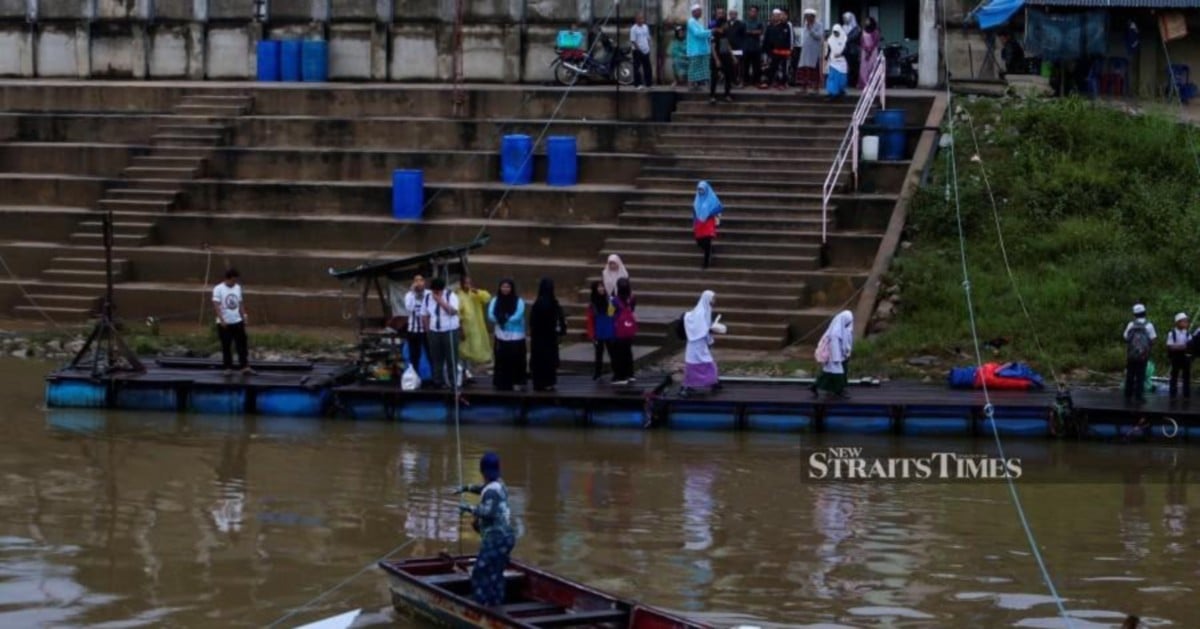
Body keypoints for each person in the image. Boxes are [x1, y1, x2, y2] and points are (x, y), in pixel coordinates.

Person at [456, 452, 515, 607]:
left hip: (495, 539)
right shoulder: (499, 485)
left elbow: (488, 512)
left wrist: (467, 507)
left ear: (482, 471)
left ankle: (481, 606)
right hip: (507, 537)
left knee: (480, 572)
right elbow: (482, 489)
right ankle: (496, 604)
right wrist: (466, 488)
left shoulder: (491, 491)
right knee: (496, 573)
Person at [679, 290, 726, 397]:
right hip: (696, 344)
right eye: (713, 298)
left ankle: (713, 382)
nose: (714, 300)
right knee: (697, 365)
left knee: (708, 363)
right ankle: (686, 386)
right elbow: (701, 329)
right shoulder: (700, 313)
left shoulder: (706, 310)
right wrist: (712, 330)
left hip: (700, 344)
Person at [212, 268, 254, 376]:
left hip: (237, 321)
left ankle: (244, 366)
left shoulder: (237, 288)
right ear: (228, 278)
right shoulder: (218, 289)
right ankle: (228, 367)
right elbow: (216, 305)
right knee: (226, 345)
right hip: (225, 323)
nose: (235, 282)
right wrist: (222, 319)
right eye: (234, 280)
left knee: (242, 344)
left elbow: (240, 303)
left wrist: (244, 315)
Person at [488, 279, 527, 391]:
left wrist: (505, 319)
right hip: (501, 335)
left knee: (515, 359)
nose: (505, 289)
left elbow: (518, 315)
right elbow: (491, 314)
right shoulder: (495, 300)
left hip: (516, 336)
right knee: (501, 359)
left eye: (508, 287)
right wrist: (499, 319)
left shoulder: (518, 301)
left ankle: (517, 382)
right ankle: (501, 383)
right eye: (503, 287)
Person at [529, 278, 567, 392]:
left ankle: (539, 383)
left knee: (539, 362)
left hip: (539, 339)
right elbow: (560, 319)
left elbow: (532, 321)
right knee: (549, 362)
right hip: (550, 338)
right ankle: (549, 383)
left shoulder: (537, 303)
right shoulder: (553, 303)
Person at [425, 277, 461, 390]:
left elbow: (453, 312)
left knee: (451, 358)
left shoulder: (451, 295)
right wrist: (427, 330)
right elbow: (424, 314)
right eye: (433, 290)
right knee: (436, 358)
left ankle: (453, 382)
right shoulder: (427, 297)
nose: (435, 292)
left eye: (438, 290)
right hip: (434, 331)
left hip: (449, 330)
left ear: (442, 289)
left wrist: (440, 301)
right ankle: (437, 382)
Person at [454, 275, 492, 376]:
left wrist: (478, 292)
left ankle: (468, 374)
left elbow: (487, 298)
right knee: (464, 352)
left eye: (469, 283)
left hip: (477, 327)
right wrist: (460, 329)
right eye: (466, 283)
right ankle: (462, 374)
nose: (468, 285)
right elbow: (458, 314)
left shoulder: (474, 293)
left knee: (473, 352)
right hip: (465, 328)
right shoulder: (458, 296)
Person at [811, 310, 854, 399]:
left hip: (840, 356)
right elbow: (835, 347)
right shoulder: (835, 333)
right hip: (834, 357)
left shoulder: (844, 329)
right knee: (837, 374)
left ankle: (815, 386)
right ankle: (839, 391)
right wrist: (836, 358)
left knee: (827, 374)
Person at [1123, 303, 1156, 404]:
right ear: (1144, 313)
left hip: (1131, 354)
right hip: (1143, 355)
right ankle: (1139, 396)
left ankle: (1128, 394)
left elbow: (1125, 337)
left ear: (1134, 314)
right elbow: (1153, 339)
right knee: (1141, 375)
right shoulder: (1149, 325)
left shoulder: (1131, 324)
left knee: (1130, 374)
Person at [585, 281, 617, 380]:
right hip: (598, 331)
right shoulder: (592, 304)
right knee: (599, 353)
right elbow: (590, 320)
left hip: (609, 329)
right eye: (599, 287)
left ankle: (616, 372)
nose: (601, 289)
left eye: (602, 286)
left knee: (612, 352)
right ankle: (598, 373)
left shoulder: (609, 300)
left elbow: (613, 315)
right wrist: (591, 334)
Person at [403, 273, 431, 383]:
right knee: (414, 355)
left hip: (426, 330)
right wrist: (414, 293)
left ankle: (434, 379)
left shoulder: (429, 294)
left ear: (424, 282)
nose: (418, 283)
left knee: (430, 354)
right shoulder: (409, 295)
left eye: (421, 280)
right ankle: (415, 378)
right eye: (416, 280)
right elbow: (409, 308)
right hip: (413, 330)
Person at [610, 277, 637, 385]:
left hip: (618, 331)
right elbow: (632, 309)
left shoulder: (614, 301)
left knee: (618, 354)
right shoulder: (632, 298)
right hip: (629, 329)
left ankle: (620, 376)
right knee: (628, 352)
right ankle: (630, 374)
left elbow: (609, 314)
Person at [693, 180, 722, 269]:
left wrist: (710, 213)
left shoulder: (711, 197)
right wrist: (694, 222)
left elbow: (719, 207)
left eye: (702, 189)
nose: (701, 191)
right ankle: (710, 250)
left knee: (707, 241)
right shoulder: (697, 199)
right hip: (699, 223)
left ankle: (705, 264)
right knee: (699, 241)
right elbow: (694, 211)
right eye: (699, 189)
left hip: (708, 223)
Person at [762, 9, 792, 89]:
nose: (780, 17)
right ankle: (769, 82)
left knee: (783, 68)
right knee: (772, 67)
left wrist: (790, 50)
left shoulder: (787, 26)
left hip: (785, 51)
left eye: (781, 15)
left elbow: (789, 39)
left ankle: (782, 83)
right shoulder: (773, 26)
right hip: (775, 51)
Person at [709, 16, 735, 104]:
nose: (727, 25)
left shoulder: (725, 33)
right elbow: (712, 48)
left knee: (728, 76)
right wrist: (717, 60)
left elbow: (727, 46)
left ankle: (727, 95)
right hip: (717, 57)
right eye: (726, 23)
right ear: (723, 24)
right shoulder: (714, 34)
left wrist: (733, 56)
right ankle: (712, 96)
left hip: (725, 57)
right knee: (714, 77)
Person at [797, 9, 824, 93]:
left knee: (814, 71)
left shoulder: (819, 25)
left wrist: (811, 29)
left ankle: (815, 88)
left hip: (814, 52)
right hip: (805, 51)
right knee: (804, 69)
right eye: (806, 17)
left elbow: (819, 36)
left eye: (808, 17)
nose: (807, 19)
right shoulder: (805, 25)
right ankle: (804, 87)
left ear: (813, 17)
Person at [686, 5, 712, 90]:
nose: (700, 13)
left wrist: (709, 34)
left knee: (703, 68)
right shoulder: (691, 22)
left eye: (700, 11)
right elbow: (698, 34)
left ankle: (697, 84)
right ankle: (690, 85)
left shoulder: (698, 22)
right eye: (699, 11)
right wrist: (711, 31)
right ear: (693, 12)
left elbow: (703, 33)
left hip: (702, 50)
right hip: (695, 50)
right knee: (693, 68)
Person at [1167, 312, 1191, 400]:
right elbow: (1170, 346)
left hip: (1185, 357)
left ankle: (1186, 395)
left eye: (1186, 321)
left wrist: (1178, 346)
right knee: (1174, 375)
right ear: (1177, 322)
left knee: (1186, 376)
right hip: (1176, 357)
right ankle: (1172, 394)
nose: (1186, 323)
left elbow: (1190, 345)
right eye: (1184, 321)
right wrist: (1182, 347)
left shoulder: (1187, 333)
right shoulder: (1172, 333)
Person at [741, 6, 764, 86]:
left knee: (756, 66)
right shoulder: (744, 22)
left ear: (757, 13)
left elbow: (760, 32)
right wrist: (753, 32)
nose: (753, 13)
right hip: (746, 47)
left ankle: (756, 81)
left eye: (754, 11)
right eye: (751, 11)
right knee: (745, 65)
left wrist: (750, 32)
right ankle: (745, 81)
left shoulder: (759, 22)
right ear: (749, 12)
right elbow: (743, 32)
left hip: (756, 47)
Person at [825, 24, 849, 100]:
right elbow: (829, 50)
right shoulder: (830, 40)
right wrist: (826, 57)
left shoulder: (844, 38)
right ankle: (832, 93)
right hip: (833, 61)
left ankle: (840, 91)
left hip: (842, 61)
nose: (836, 34)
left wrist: (840, 54)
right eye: (834, 32)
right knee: (832, 77)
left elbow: (846, 50)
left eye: (837, 32)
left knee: (841, 78)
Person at [630, 12, 653, 88]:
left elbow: (648, 37)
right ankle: (638, 84)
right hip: (637, 51)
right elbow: (633, 41)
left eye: (642, 18)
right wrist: (639, 50)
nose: (642, 20)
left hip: (646, 50)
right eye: (640, 18)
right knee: (637, 68)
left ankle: (649, 83)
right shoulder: (633, 28)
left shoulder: (645, 27)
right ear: (636, 19)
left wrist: (649, 46)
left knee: (648, 68)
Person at [857, 17, 880, 89]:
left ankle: (872, 83)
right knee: (864, 68)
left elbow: (875, 42)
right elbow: (862, 41)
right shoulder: (863, 30)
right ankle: (864, 83)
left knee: (872, 66)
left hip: (873, 52)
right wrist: (866, 49)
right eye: (866, 21)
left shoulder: (875, 31)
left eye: (868, 21)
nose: (866, 22)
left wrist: (870, 51)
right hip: (864, 51)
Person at [842, 12, 862, 87]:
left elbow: (853, 37)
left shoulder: (856, 28)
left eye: (846, 18)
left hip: (853, 50)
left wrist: (845, 38)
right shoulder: (843, 27)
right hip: (845, 50)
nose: (844, 20)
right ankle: (847, 83)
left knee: (854, 67)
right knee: (845, 67)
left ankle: (853, 83)